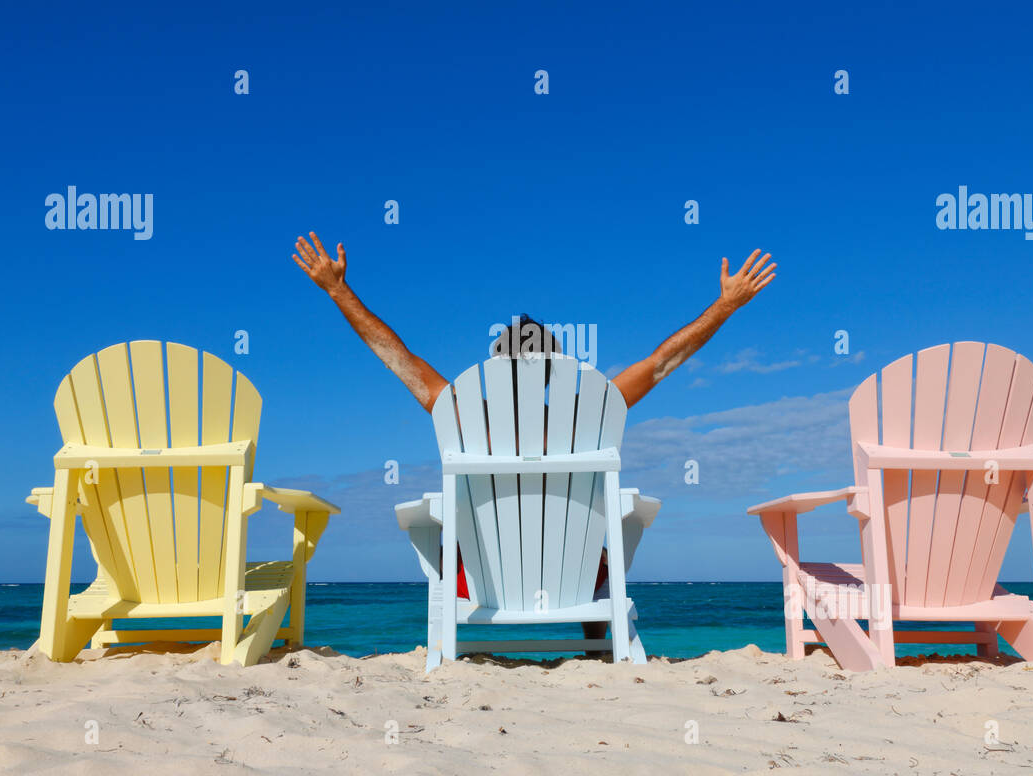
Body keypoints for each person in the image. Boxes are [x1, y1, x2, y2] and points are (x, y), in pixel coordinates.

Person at [292, 231, 776, 646]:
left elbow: (396, 357)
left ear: (495, 367)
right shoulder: (594, 412)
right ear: (552, 372)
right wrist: (726, 306)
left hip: (478, 581)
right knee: (605, 540)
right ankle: (594, 643)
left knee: (438, 531)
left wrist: (338, 290)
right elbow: (662, 363)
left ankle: (449, 647)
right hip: (579, 580)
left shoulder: (461, 411)